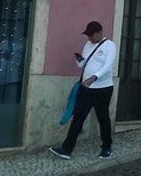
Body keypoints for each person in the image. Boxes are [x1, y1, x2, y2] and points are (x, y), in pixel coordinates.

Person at [50, 21, 117, 159]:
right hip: (86, 88)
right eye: (88, 36)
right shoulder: (87, 45)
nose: (89, 39)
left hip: (102, 89)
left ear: (99, 33)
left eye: (91, 36)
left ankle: (106, 147)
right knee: (78, 118)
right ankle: (67, 149)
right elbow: (84, 65)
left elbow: (108, 66)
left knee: (103, 118)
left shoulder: (109, 46)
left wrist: (94, 77)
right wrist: (79, 61)